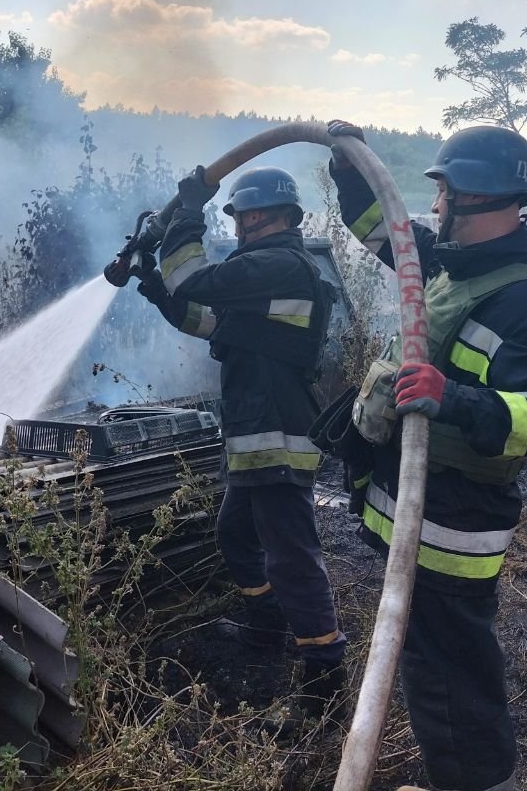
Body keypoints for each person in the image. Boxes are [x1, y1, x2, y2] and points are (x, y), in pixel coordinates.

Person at [325, 121, 527, 791]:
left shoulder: (525, 303)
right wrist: (349, 167)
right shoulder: (449, 263)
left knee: (452, 686)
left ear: (478, 198)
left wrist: (461, 401)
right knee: (428, 673)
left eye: (444, 194)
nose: (435, 207)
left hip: (451, 529)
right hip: (416, 522)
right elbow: (380, 227)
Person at [135, 163, 347, 715]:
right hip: (257, 435)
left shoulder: (278, 263)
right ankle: (266, 628)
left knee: (291, 556)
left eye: (254, 211)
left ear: (282, 217)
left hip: (278, 434)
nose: (246, 221)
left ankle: (324, 674)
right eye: (242, 212)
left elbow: (196, 279)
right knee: (236, 533)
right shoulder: (266, 275)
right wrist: (156, 288)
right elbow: (210, 321)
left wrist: (186, 215)